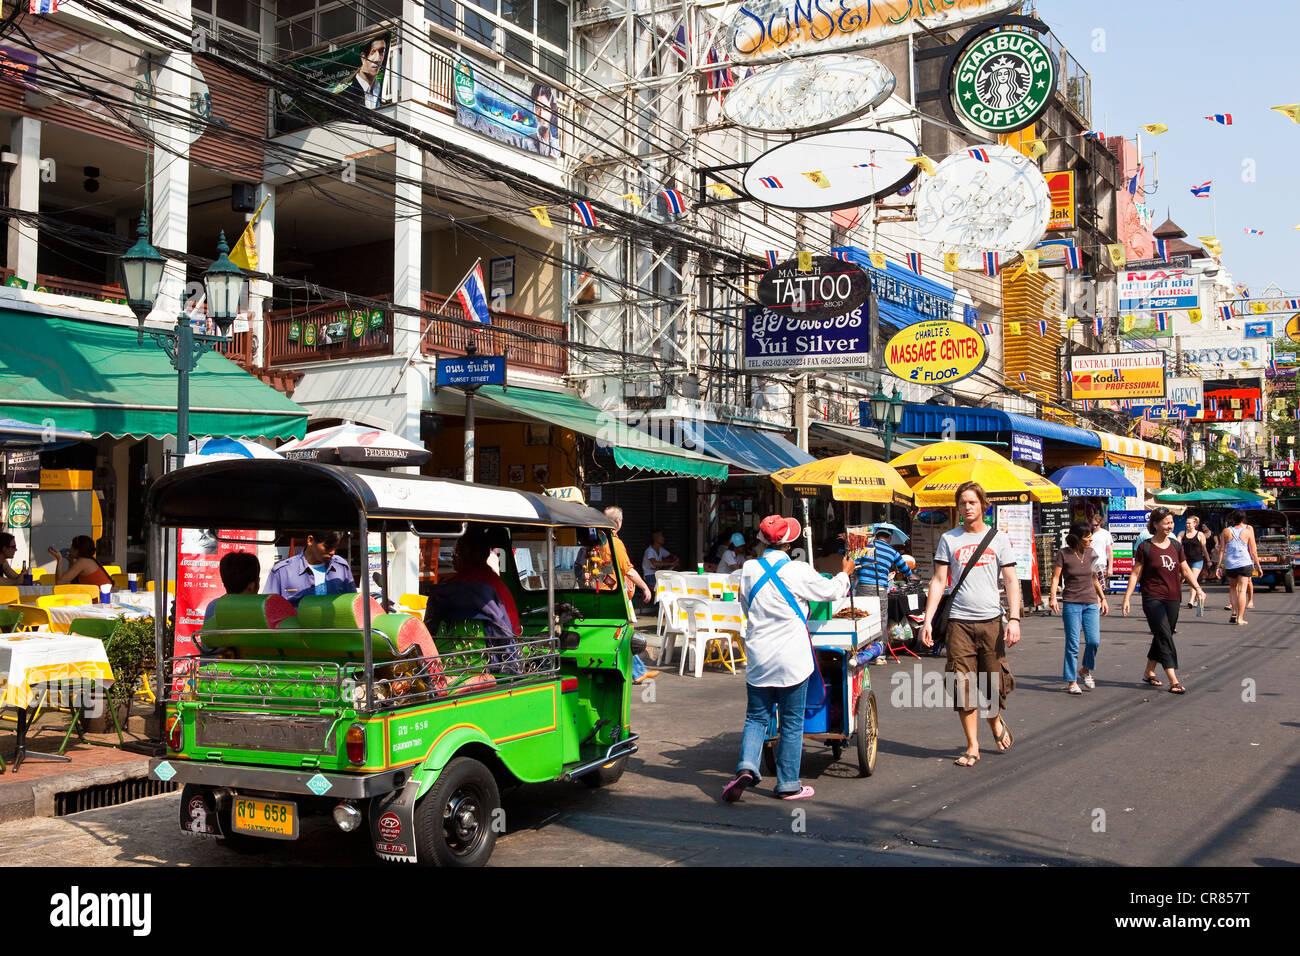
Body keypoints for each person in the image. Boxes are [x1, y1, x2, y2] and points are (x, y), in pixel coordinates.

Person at [721, 514, 853, 803]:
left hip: (759, 657)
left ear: (762, 539)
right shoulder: (799, 570)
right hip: (793, 658)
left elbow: (747, 606)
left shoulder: (749, 569)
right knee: (792, 722)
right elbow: (830, 592)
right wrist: (845, 573)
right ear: (789, 542)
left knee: (756, 717)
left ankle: (746, 766)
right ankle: (788, 784)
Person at [919, 482, 1019, 768]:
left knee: (992, 684)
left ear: (983, 505)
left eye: (972, 502)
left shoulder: (999, 539)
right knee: (963, 685)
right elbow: (939, 581)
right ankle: (973, 746)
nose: (967, 507)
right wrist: (927, 620)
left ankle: (995, 721)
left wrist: (1014, 618)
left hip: (991, 622)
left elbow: (1011, 580)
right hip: (959, 623)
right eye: (962, 502)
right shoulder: (949, 539)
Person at [1122, 507, 1206, 694]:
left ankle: (1149, 671)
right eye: (1166, 522)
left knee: (1163, 634)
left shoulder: (1176, 545)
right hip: (1152, 597)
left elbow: (1185, 569)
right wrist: (1127, 598)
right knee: (1164, 635)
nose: (1170, 526)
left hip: (1174, 597)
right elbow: (1136, 574)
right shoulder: (1146, 547)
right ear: (1155, 524)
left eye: (1171, 522)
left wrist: (1198, 589)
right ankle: (1173, 679)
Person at [1050, 521, 1108, 695]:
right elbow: (1055, 578)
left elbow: (1094, 578)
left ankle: (1085, 670)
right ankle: (1072, 681)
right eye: (1087, 536)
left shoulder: (1091, 553)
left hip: (1090, 602)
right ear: (1077, 537)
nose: (1090, 539)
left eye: (1091, 536)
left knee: (1093, 640)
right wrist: (1053, 597)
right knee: (1073, 643)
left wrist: (1103, 598)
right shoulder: (1064, 554)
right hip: (1072, 602)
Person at [603, 506, 656, 684]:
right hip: (616, 596)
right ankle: (637, 671)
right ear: (618, 523)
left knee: (623, 633)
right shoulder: (614, 543)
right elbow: (629, 571)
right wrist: (645, 587)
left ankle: (638, 670)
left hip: (605, 594)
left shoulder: (600, 541)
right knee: (624, 633)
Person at [263, 531, 356, 605]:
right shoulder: (282, 572)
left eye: (335, 547)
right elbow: (268, 610)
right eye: (328, 547)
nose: (332, 552)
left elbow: (353, 605)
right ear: (310, 540)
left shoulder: (341, 568)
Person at [1216, 510, 1261, 625]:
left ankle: (1233, 612)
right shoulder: (1248, 530)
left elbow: (1221, 550)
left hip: (1230, 564)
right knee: (1242, 590)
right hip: (1244, 563)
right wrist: (1258, 566)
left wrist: (1219, 566)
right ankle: (1240, 618)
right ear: (1243, 518)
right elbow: (1253, 551)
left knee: (1232, 588)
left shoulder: (1226, 531)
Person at [853, 528, 912, 597]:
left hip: (864, 587)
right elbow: (906, 570)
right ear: (889, 537)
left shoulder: (864, 547)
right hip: (881, 588)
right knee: (880, 608)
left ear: (876, 536)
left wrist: (859, 574)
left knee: (863, 608)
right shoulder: (893, 552)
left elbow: (854, 565)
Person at [336, 36, 387, 109]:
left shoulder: (382, 92)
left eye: (381, 52)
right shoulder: (345, 95)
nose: (378, 59)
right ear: (363, 57)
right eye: (373, 52)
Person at [47, 535, 112, 587]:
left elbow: (59, 582)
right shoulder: (87, 560)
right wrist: (71, 560)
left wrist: (59, 559)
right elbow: (72, 581)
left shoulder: (82, 562)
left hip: (100, 598)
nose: (70, 549)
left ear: (77, 550)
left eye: (72, 547)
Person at [1180, 515, 1210, 608]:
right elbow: (1177, 545)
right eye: (1186, 523)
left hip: (1197, 561)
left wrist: (1208, 560)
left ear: (1195, 524)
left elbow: (1204, 549)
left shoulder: (1200, 534)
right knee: (1180, 580)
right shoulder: (1182, 533)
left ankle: (1191, 600)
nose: (1187, 525)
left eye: (1189, 523)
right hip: (1185, 561)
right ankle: (1201, 594)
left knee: (1192, 578)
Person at [1090, 513, 1114, 590]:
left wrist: (1110, 568)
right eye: (1093, 525)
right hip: (1089, 563)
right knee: (1091, 587)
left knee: (1101, 587)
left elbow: (1110, 551)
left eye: (1096, 525)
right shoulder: (1089, 534)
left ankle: (1101, 601)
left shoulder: (1105, 534)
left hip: (1101, 562)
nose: (1094, 527)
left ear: (1100, 523)